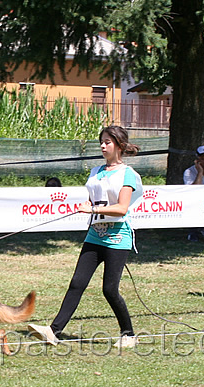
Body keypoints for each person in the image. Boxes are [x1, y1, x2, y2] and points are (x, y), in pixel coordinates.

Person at [28, 125, 143, 348]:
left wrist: (92, 210)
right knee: (77, 283)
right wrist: (89, 205)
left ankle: (128, 334)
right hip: (94, 235)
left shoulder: (127, 174)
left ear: (119, 146)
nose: (102, 145)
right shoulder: (96, 171)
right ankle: (53, 331)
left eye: (107, 142)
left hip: (118, 237)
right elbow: (96, 199)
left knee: (109, 289)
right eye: (101, 141)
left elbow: (121, 208)